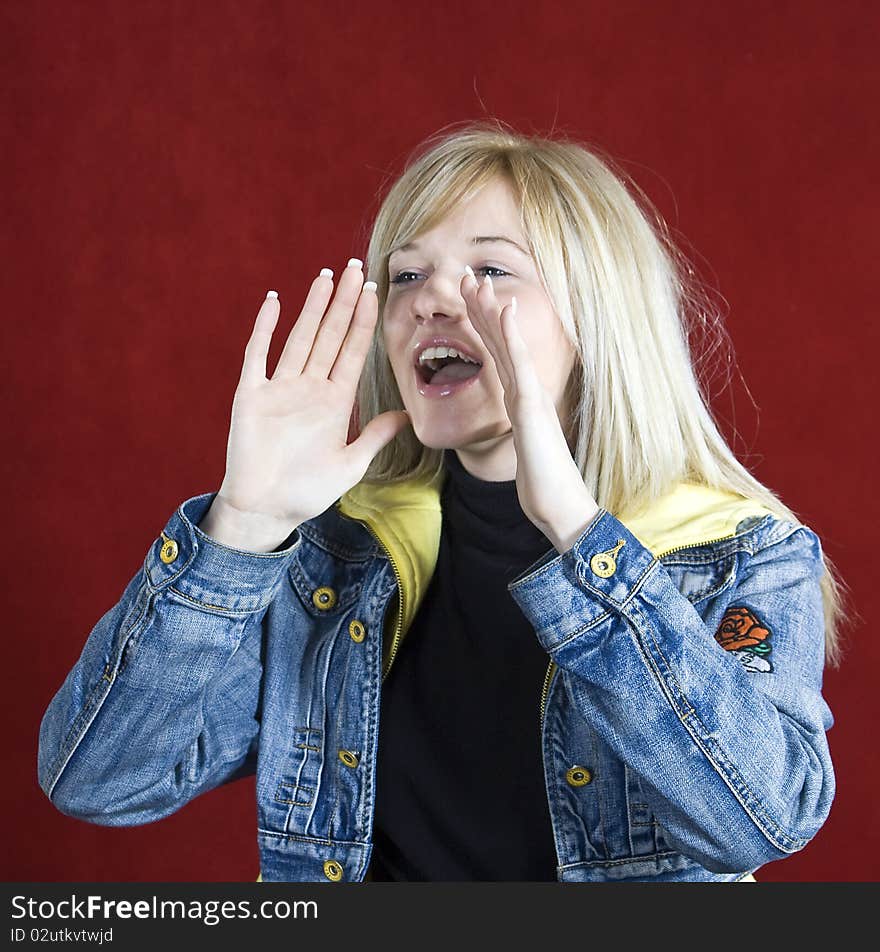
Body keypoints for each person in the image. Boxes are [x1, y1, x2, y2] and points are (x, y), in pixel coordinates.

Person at [38, 119, 845, 883]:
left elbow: (762, 818)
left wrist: (577, 532)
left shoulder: (743, 552)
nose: (433, 299)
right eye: (409, 274)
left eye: (491, 271)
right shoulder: (335, 552)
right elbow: (101, 780)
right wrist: (242, 531)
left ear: (593, 318)